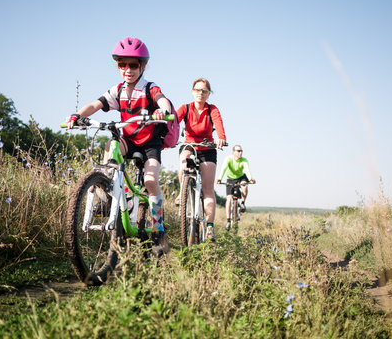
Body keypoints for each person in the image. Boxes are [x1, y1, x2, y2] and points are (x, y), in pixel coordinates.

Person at [66, 37, 171, 256]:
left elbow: (163, 100)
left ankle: (159, 228)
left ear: (142, 66)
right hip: (130, 140)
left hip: (149, 143)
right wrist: (77, 116)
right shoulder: (118, 90)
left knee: (151, 180)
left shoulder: (149, 89)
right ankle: (107, 196)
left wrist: (162, 110)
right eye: (122, 64)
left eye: (133, 65)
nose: (127, 69)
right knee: (110, 147)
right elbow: (96, 105)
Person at [177, 78, 226, 241]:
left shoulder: (212, 109)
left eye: (204, 91)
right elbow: (174, 122)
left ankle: (210, 227)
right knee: (184, 157)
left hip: (207, 147)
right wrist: (167, 135)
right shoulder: (185, 108)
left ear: (208, 94)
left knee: (207, 189)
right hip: (190, 145)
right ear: (192, 91)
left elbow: (218, 123)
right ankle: (182, 191)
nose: (200, 93)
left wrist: (221, 138)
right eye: (198, 90)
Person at [217, 145, 256, 230]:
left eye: (241, 151)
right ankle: (228, 221)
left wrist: (250, 179)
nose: (240, 152)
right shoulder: (228, 159)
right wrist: (219, 178)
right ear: (233, 152)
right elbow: (223, 169)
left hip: (241, 178)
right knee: (228, 199)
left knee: (244, 186)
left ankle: (242, 203)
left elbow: (247, 170)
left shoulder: (244, 160)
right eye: (238, 151)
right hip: (230, 179)